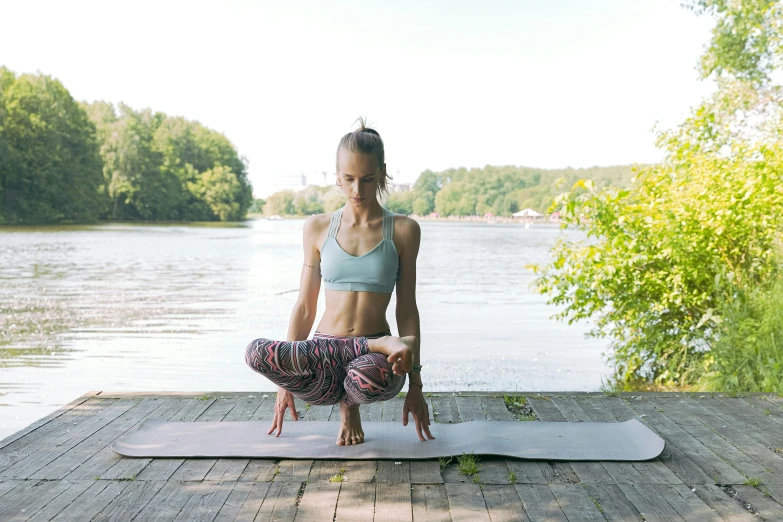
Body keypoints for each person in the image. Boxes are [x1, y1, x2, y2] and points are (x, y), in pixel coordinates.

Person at [245, 117, 435, 446]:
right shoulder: (318, 228)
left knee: (366, 378)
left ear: (383, 172)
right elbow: (305, 307)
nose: (357, 190)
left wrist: (416, 385)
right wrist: (284, 383)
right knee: (256, 352)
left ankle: (352, 400)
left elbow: (407, 309)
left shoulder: (403, 230)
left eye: (367, 179)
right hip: (323, 359)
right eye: (348, 179)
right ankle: (351, 388)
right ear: (336, 175)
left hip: (373, 367)